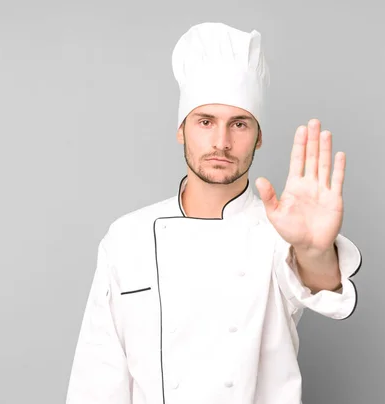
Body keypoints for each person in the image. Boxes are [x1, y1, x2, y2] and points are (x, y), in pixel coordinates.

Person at [65, 22, 362, 404]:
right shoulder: (126, 239)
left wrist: (315, 250)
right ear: (181, 130)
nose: (221, 142)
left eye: (239, 124)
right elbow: (97, 380)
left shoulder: (279, 233)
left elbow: (322, 288)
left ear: (258, 137)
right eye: (205, 122)